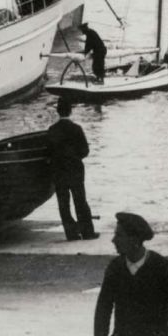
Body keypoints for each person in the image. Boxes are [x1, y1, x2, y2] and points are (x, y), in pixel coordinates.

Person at [47, 94, 97, 241]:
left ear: (58, 111)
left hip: (59, 171)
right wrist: (75, 157)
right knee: (80, 201)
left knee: (64, 203)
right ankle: (87, 232)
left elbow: (49, 152)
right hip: (75, 170)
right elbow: (85, 151)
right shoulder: (76, 129)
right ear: (70, 110)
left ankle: (71, 233)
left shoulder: (52, 130)